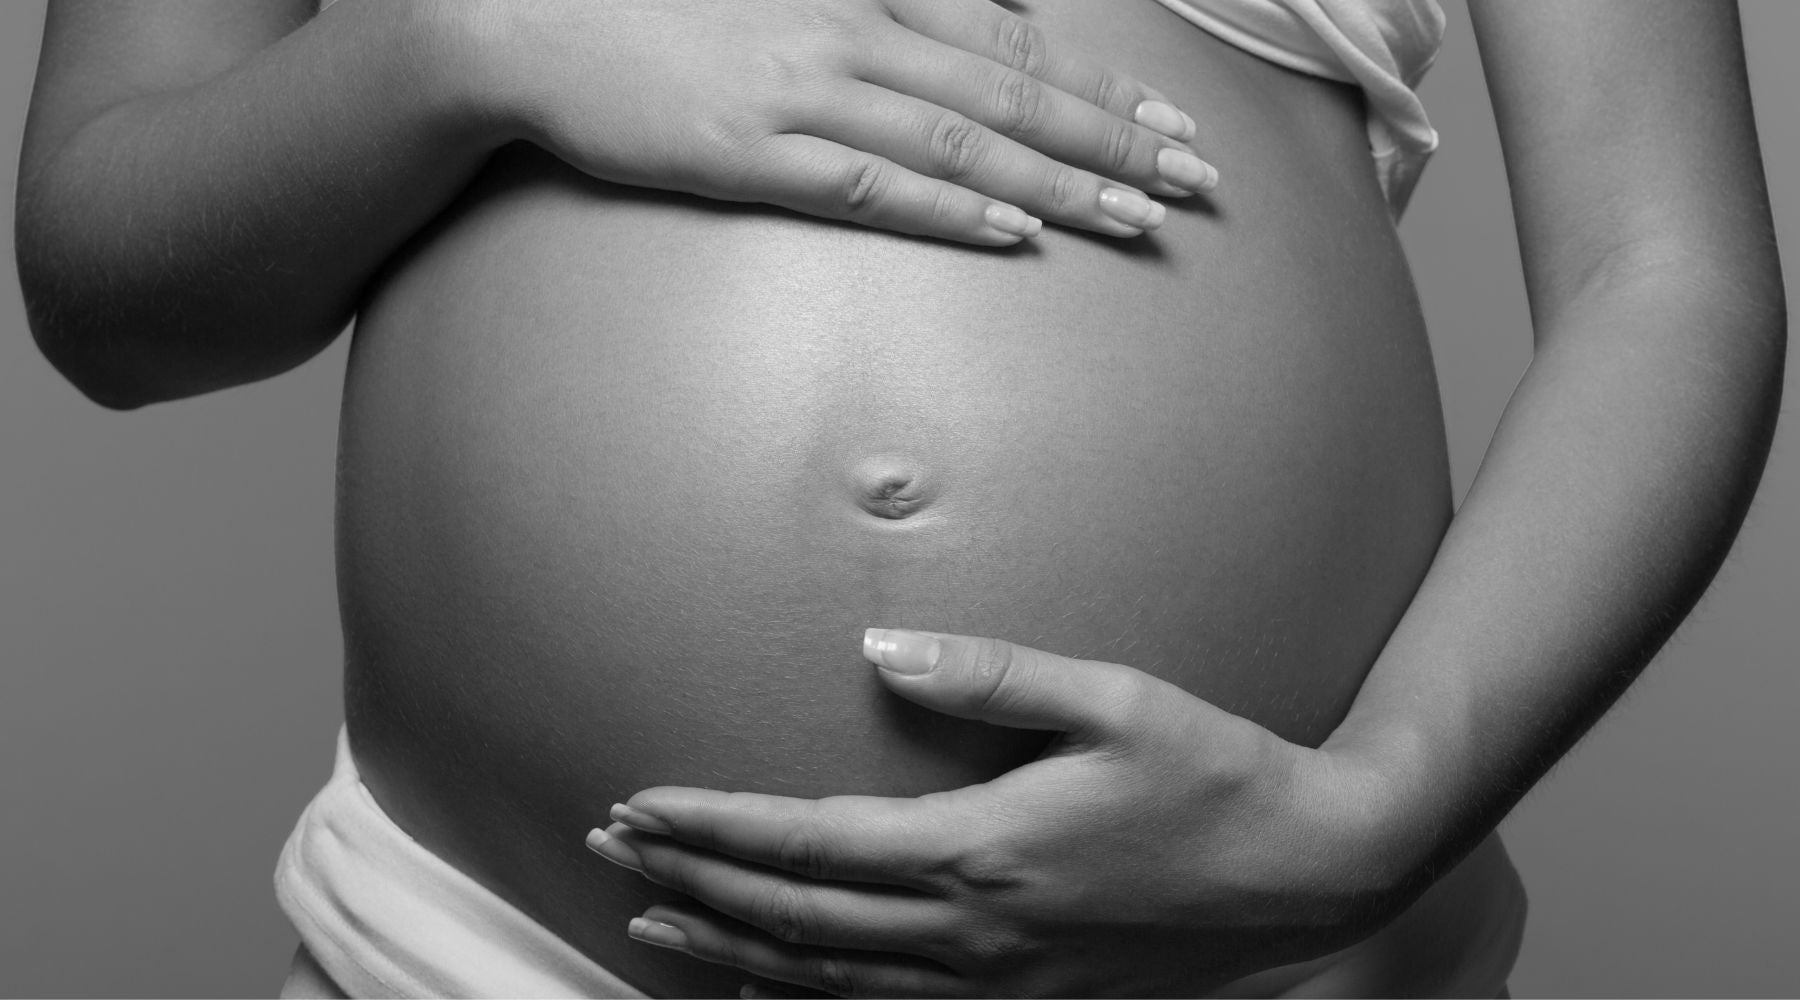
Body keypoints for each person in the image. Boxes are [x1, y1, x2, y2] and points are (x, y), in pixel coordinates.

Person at [14, 0, 1782, 997]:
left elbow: (1665, 267)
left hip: (1239, 959)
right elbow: (107, 280)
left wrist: (1372, 823)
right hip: (485, 958)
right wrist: (462, 47)